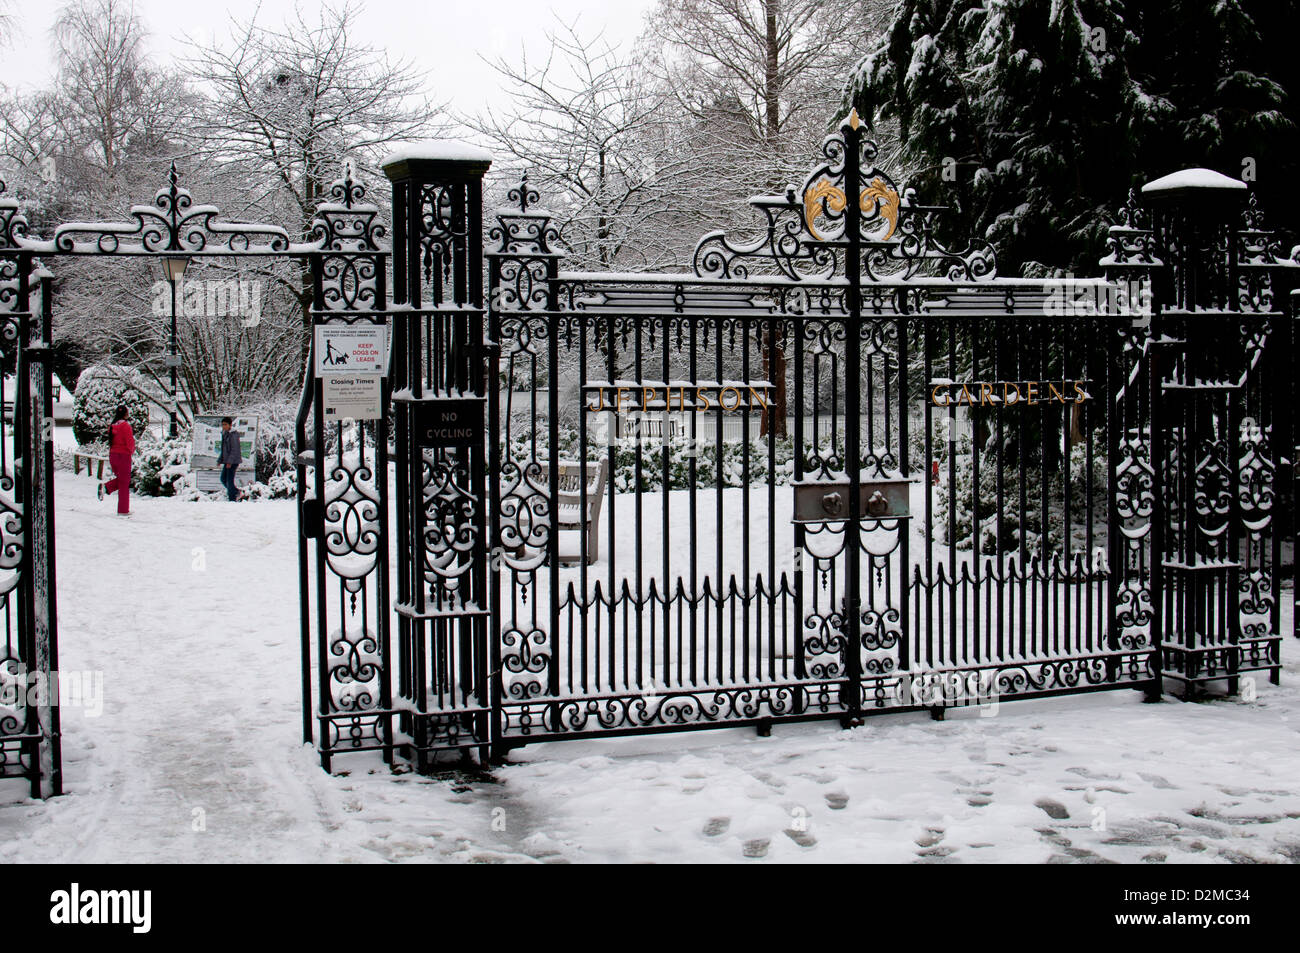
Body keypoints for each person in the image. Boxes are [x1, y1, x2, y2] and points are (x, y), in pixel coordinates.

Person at [98, 405, 135, 515]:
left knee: (121, 480)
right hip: (123, 456)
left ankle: (106, 488)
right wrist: (131, 451)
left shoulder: (112, 426)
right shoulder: (126, 426)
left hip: (113, 455)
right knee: (124, 483)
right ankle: (123, 510)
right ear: (125, 414)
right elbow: (130, 443)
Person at [217, 416, 244, 501]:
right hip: (227, 461)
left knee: (229, 480)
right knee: (223, 479)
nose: (224, 426)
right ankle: (236, 492)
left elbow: (234, 449)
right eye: (222, 425)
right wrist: (220, 460)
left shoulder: (233, 435)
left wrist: (230, 461)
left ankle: (232, 498)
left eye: (225, 424)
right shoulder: (225, 434)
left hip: (233, 461)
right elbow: (224, 449)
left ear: (230, 425)